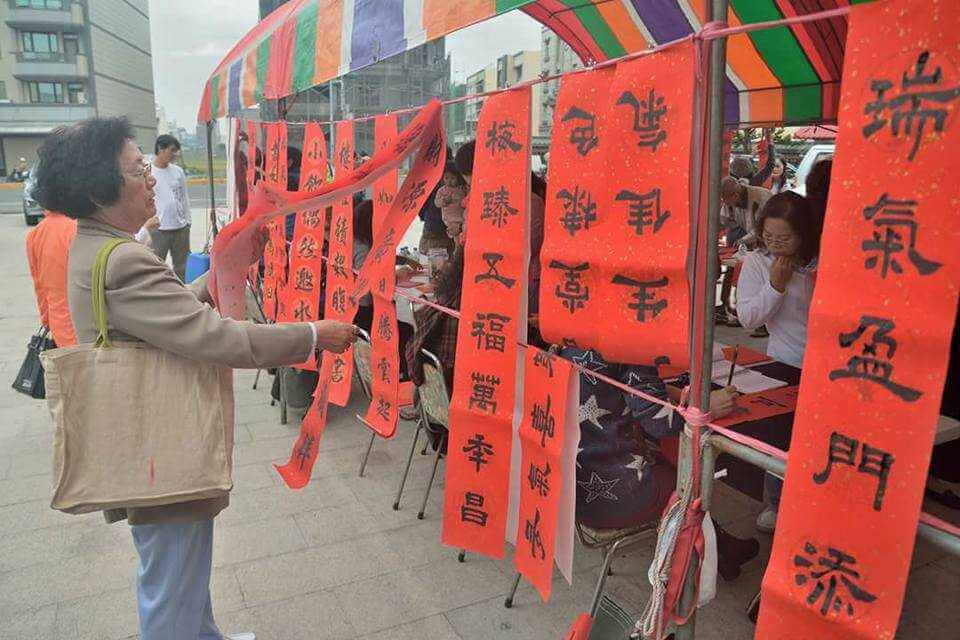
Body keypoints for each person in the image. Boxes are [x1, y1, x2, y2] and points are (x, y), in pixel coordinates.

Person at [31, 117, 358, 640]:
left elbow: (172, 310)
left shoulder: (106, 248)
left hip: (153, 444)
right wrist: (314, 336)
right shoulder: (121, 261)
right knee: (172, 582)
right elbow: (215, 338)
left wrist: (221, 270)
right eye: (138, 169)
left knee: (180, 574)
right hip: (160, 446)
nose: (152, 178)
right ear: (99, 190)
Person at [563, 347, 760, 581]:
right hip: (614, 494)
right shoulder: (627, 342)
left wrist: (672, 393)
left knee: (668, 470)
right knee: (687, 488)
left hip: (574, 490)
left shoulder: (566, 333)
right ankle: (715, 556)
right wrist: (710, 408)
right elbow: (658, 422)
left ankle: (723, 550)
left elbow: (613, 384)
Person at [735, 192, 820, 533]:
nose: (775, 244)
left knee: (815, 442)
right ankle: (775, 503)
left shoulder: (821, 261)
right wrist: (776, 286)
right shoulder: (758, 262)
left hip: (825, 364)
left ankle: (814, 507)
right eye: (769, 236)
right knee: (780, 441)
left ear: (804, 235)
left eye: (784, 238)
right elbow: (748, 318)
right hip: (783, 360)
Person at [717, 177, 773, 328]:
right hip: (753, 243)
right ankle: (729, 308)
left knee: (764, 280)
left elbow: (763, 228)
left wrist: (743, 240)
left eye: (726, 200)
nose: (725, 203)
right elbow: (723, 220)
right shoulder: (729, 204)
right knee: (736, 271)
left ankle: (763, 323)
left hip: (771, 244)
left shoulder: (761, 197)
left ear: (735, 195)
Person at [25, 211, 79, 347]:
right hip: (86, 326)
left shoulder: (36, 234)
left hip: (59, 326)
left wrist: (47, 321)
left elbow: (39, 287)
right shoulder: (79, 229)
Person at [149, 134, 192, 281]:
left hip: (181, 228)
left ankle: (183, 295)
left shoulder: (177, 172)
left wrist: (188, 222)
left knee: (182, 267)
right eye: (172, 150)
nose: (175, 154)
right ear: (160, 149)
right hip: (159, 230)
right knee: (155, 267)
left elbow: (184, 197)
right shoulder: (148, 172)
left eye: (176, 151)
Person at [434, 164, 467, 239]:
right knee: (456, 236)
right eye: (446, 178)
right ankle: (457, 247)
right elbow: (436, 203)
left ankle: (458, 246)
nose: (449, 181)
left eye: (452, 178)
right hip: (449, 219)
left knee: (461, 235)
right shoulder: (442, 191)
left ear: (458, 178)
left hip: (461, 218)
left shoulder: (461, 189)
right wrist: (443, 201)